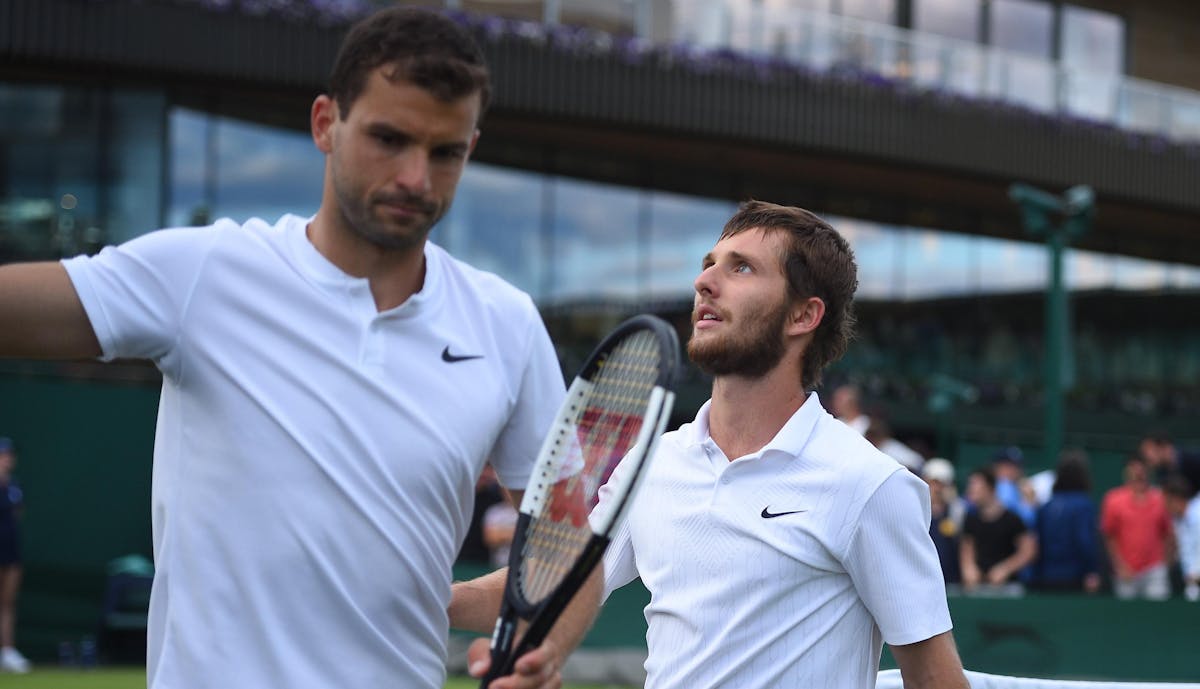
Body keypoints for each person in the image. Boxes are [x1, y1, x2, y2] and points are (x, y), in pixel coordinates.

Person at [0, 7, 596, 689]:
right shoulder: (203, 274)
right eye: (388, 138)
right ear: (325, 124)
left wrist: (544, 642)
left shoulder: (506, 323)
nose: (415, 177)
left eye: (445, 152)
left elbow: (572, 539)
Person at [592, 201, 968, 688]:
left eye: (741, 267)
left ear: (803, 315)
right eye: (709, 264)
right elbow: (554, 589)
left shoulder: (871, 484)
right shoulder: (651, 463)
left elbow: (937, 681)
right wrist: (455, 595)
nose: (704, 282)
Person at [1100, 456, 1174, 601]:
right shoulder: (1113, 499)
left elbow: (1168, 534)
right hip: (1126, 571)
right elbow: (1109, 536)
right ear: (1126, 473)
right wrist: (1120, 566)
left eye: (1142, 470)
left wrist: (1163, 565)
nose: (1138, 474)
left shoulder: (1160, 498)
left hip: (1154, 570)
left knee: (1157, 613)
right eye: (1134, 470)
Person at [960, 467, 1037, 592]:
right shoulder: (970, 518)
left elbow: (1028, 551)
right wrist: (969, 569)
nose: (970, 490)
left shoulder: (1012, 519)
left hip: (1008, 588)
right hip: (977, 588)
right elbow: (967, 547)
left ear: (990, 488)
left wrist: (1005, 569)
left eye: (975, 485)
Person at [1034, 449, 1101, 593]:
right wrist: (1091, 571)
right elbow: (1085, 541)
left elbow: (1038, 543)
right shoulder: (1083, 505)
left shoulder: (1046, 506)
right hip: (1074, 577)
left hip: (1046, 576)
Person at [0, 438, 28, 674]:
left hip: (11, 551)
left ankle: (7, 651)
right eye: (3, 455)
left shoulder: (14, 486)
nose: (7, 458)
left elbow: (18, 515)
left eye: (9, 454)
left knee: (7, 602)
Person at [922, 457, 965, 585]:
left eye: (942, 484)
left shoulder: (957, 510)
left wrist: (951, 502)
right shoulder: (915, 509)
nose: (937, 488)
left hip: (950, 578)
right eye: (933, 483)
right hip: (923, 577)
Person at [1162, 475, 1200, 601]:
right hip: (1192, 586)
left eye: (1166, 501)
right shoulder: (1178, 520)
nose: (1165, 506)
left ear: (1176, 499)